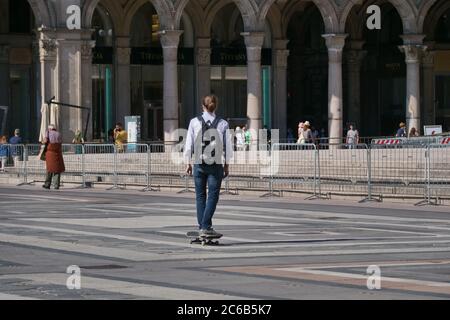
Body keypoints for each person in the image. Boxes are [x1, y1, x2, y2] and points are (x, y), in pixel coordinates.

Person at [184, 95, 232, 238]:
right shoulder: (223, 123)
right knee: (213, 196)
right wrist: (227, 165)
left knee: (200, 197)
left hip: (199, 163)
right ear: (215, 106)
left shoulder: (194, 122)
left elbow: (188, 144)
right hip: (215, 163)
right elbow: (228, 147)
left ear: (202, 106)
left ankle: (203, 227)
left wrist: (187, 162)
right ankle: (206, 226)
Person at [43, 125, 65, 190]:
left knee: (49, 169)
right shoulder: (59, 133)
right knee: (57, 170)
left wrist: (43, 141)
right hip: (57, 153)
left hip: (50, 153)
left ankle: (47, 184)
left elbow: (45, 141)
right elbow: (60, 142)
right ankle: (56, 185)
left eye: (48, 128)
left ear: (50, 128)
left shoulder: (48, 132)